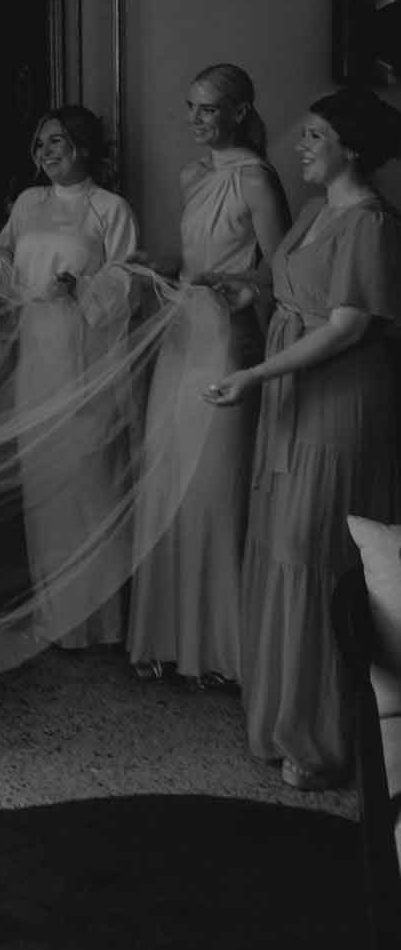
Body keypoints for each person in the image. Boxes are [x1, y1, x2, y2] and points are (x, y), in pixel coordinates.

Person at [206, 86, 401, 789]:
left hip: (340, 399)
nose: (300, 146)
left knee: (317, 554)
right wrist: (245, 293)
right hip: (293, 389)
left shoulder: (371, 223)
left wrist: (256, 372)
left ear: (351, 147)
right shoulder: (317, 211)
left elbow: (347, 324)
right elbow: (287, 285)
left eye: (314, 136)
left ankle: (323, 738)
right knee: (279, 543)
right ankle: (281, 716)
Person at [127, 65, 289, 686]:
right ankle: (169, 639)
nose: (194, 120)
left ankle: (222, 652)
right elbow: (196, 260)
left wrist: (232, 289)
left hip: (228, 342)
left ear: (241, 111)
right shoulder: (192, 175)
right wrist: (163, 264)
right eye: (190, 107)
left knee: (215, 485)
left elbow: (282, 274)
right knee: (170, 481)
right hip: (182, 336)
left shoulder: (256, 179)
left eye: (208, 109)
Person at [0, 106, 138, 649]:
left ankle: (100, 621)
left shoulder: (111, 209)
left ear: (84, 146)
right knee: (46, 485)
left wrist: (81, 288)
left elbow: (129, 284)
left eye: (57, 141)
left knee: (90, 481)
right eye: (39, 142)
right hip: (38, 358)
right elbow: (4, 258)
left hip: (88, 359)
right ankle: (56, 617)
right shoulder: (29, 204)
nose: (45, 152)